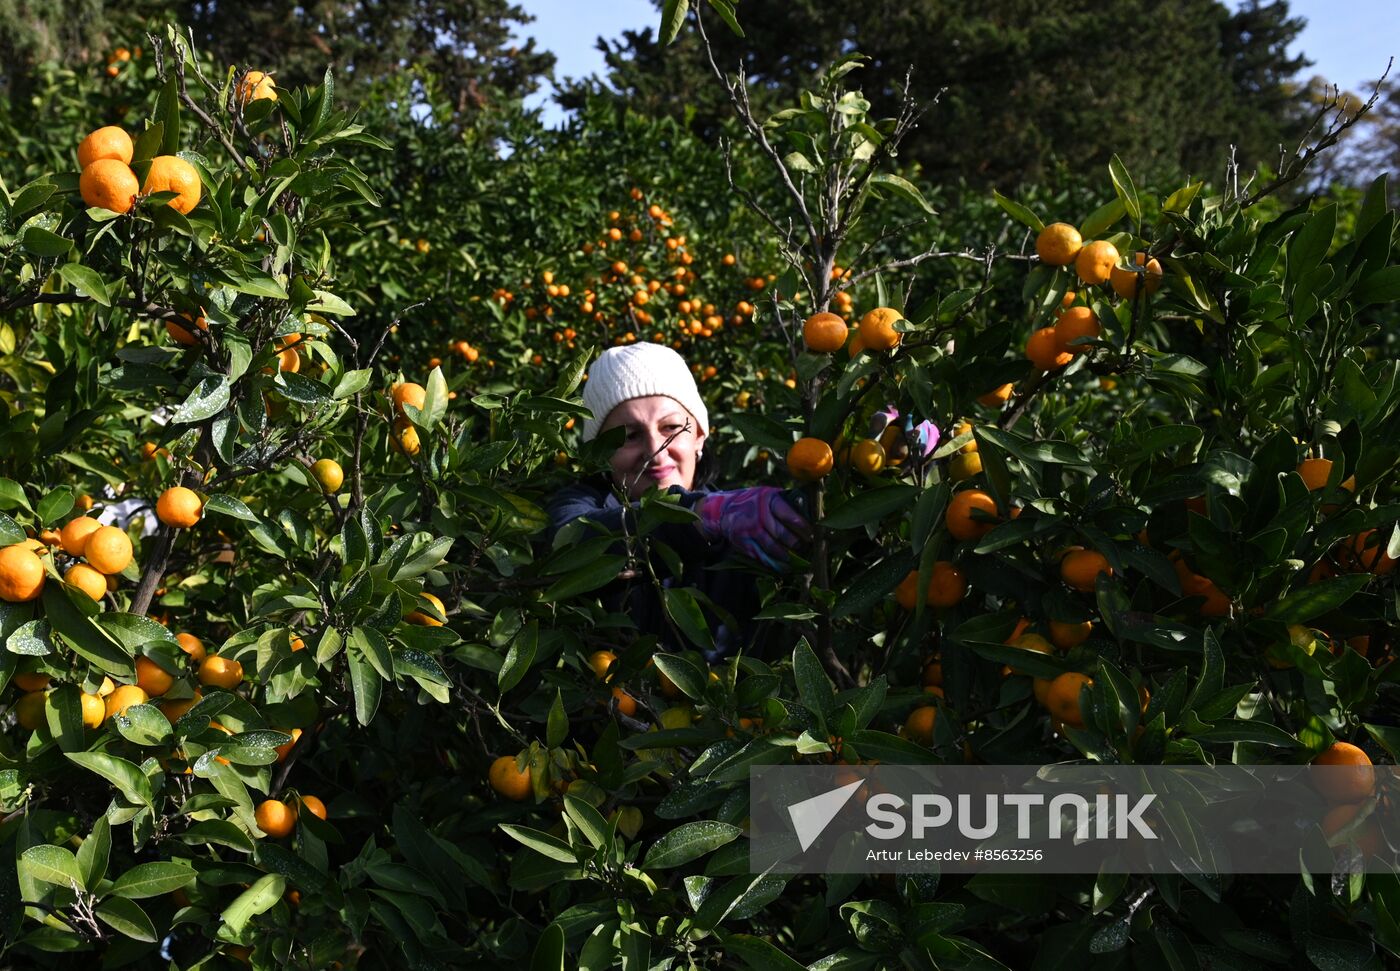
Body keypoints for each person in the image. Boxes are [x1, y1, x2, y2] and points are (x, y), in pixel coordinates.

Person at [546, 343, 811, 660]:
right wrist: (700, 516)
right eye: (629, 435)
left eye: (671, 427)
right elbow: (567, 545)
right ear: (600, 454)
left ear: (699, 435)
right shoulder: (582, 508)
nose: (655, 450)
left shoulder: (744, 529)